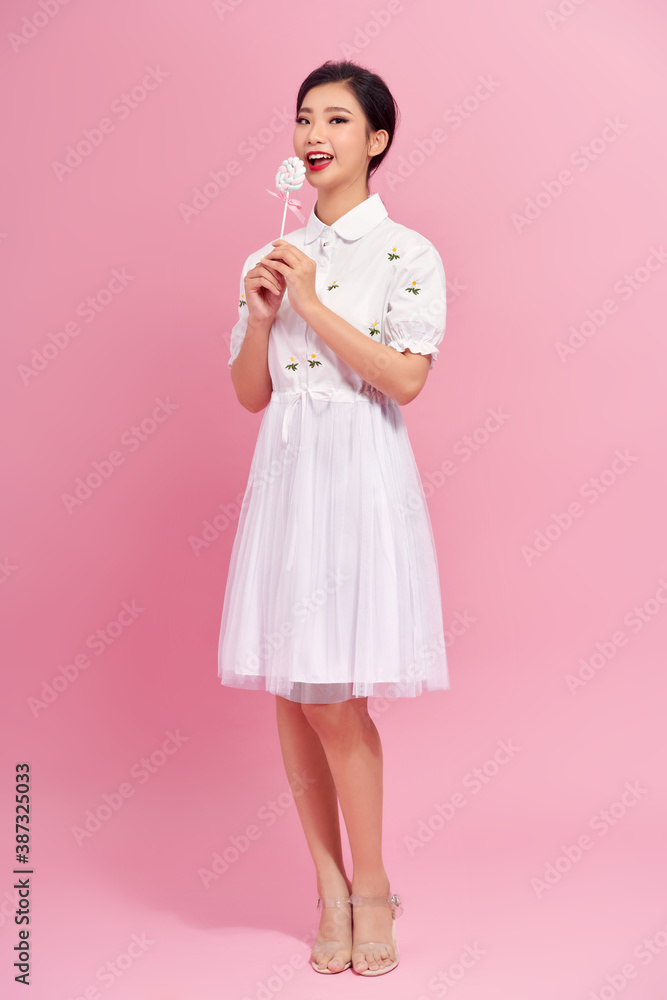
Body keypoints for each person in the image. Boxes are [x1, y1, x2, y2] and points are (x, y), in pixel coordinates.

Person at [218, 59, 450, 976]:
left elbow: (403, 379)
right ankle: (328, 889)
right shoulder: (264, 254)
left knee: (334, 696)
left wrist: (312, 301)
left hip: (356, 475)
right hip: (285, 472)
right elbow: (246, 394)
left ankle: (375, 885)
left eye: (337, 120)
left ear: (376, 140)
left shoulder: (408, 253)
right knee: (291, 682)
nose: (314, 135)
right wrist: (265, 310)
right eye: (304, 119)